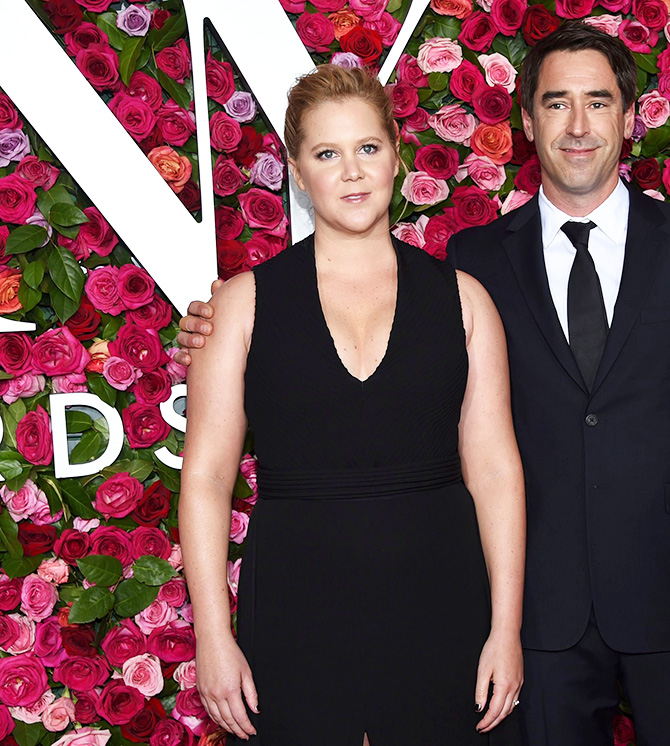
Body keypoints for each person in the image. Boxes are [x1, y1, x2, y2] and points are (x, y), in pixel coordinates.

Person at [179, 23, 670, 746]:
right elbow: (220, 466)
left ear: (629, 116)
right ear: (528, 123)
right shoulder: (476, 261)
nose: (579, 123)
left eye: (598, 101)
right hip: (523, 619)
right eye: (557, 103)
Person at [178, 64, 525, 746]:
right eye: (326, 154)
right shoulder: (242, 304)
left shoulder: (465, 301)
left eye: (367, 147)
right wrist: (212, 636)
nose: (352, 172)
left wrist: (506, 630)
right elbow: (206, 479)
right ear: (298, 171)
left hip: (442, 599)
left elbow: (495, 472)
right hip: (296, 604)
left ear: (396, 151)